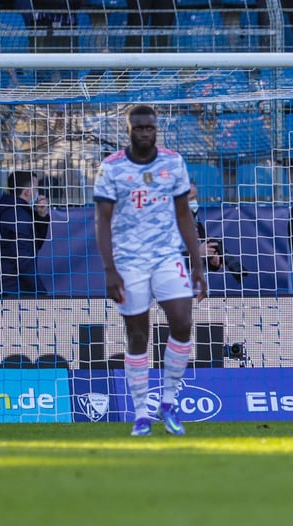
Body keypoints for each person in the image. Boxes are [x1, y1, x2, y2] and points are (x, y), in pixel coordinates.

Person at [94, 104, 207, 437]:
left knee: (183, 322)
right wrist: (109, 269)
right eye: (139, 128)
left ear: (156, 130)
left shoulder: (173, 162)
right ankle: (141, 413)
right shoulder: (111, 167)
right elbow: (102, 221)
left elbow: (184, 214)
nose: (145, 133)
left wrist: (197, 262)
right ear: (128, 130)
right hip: (129, 261)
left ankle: (168, 402)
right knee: (138, 335)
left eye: (150, 128)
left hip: (167, 256)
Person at [0, 171, 51, 297]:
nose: (37, 192)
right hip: (13, 291)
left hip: (7, 286)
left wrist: (41, 216)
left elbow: (33, 245)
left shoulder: (11, 209)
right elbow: (23, 260)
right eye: (36, 188)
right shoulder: (18, 215)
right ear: (27, 191)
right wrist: (40, 292)